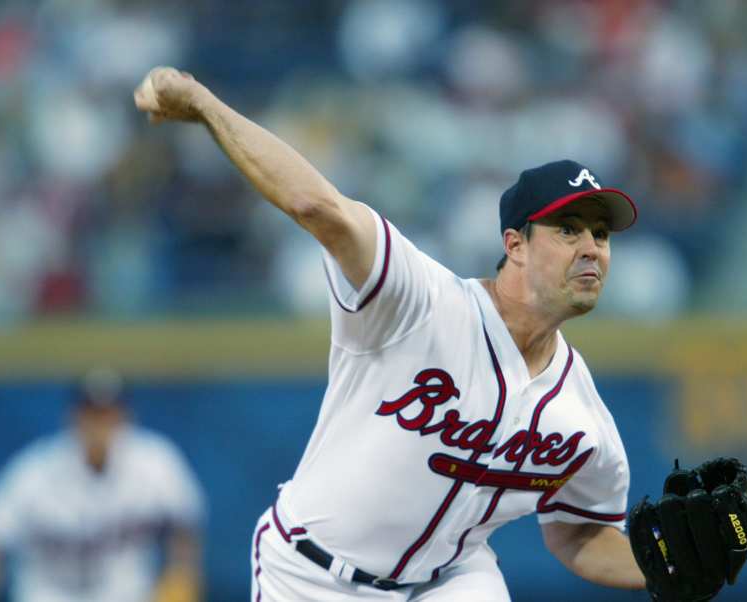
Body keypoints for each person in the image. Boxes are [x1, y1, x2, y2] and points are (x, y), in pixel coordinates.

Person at [134, 67, 645, 601]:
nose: (592, 247)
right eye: (568, 229)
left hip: (448, 580)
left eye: (601, 233)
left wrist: (666, 569)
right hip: (312, 575)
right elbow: (317, 207)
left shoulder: (583, 417)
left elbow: (579, 531)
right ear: (515, 244)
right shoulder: (419, 301)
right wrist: (204, 105)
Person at [0, 367, 205, 602]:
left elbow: (185, 527)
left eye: (109, 413)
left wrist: (181, 579)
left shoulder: (155, 462)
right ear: (73, 416)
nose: (101, 426)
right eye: (93, 414)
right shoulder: (36, 471)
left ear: (127, 416)